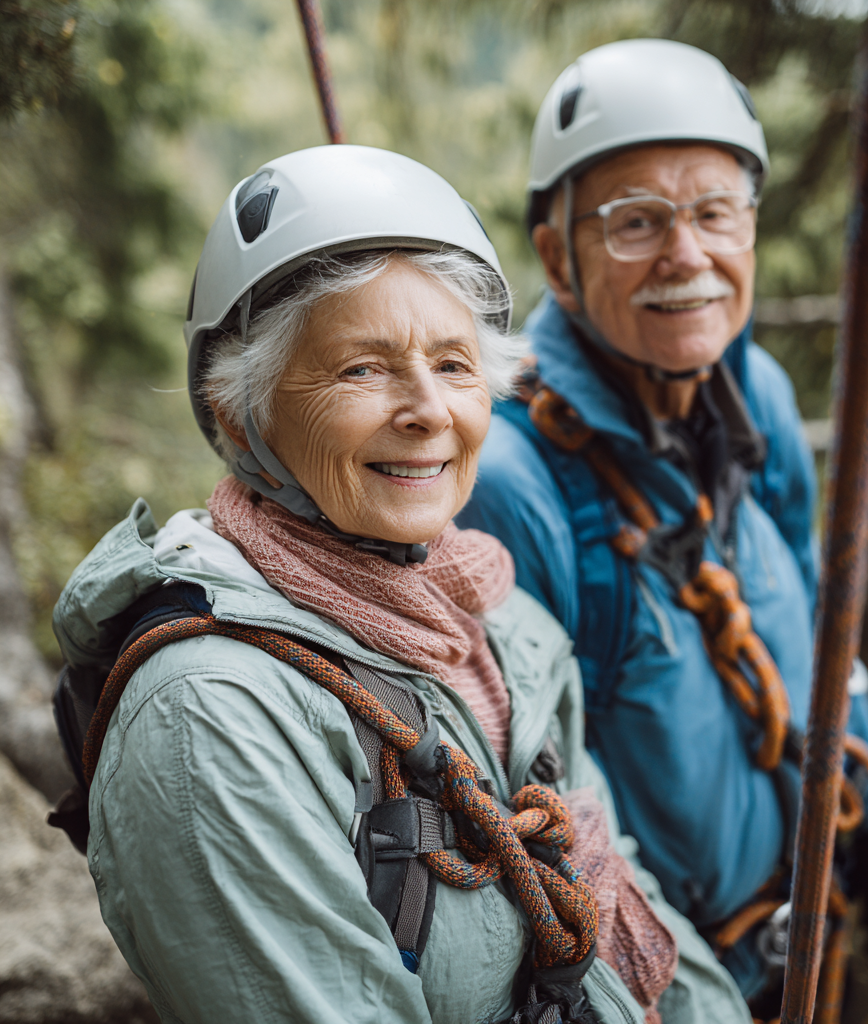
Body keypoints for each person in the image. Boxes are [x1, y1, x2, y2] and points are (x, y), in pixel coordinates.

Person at [52, 144, 752, 1024]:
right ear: (240, 413)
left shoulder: (507, 634)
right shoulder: (206, 714)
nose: (429, 410)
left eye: (455, 365)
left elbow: (625, 891)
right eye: (362, 368)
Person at [458, 39, 868, 1007]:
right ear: (557, 255)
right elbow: (520, 804)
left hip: (796, 940)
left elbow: (812, 612)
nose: (688, 255)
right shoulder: (509, 479)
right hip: (665, 982)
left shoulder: (753, 395)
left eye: (717, 214)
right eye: (635, 223)